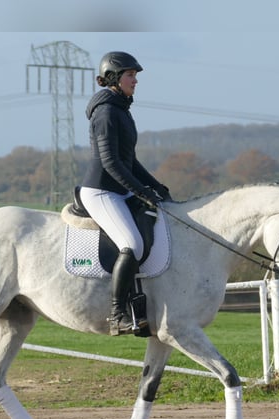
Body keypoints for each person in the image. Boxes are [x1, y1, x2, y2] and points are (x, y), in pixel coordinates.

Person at [79, 51, 171, 336]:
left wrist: (157, 187)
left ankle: (141, 308)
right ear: (114, 79)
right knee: (132, 244)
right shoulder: (106, 112)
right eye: (131, 75)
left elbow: (130, 161)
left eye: (135, 76)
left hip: (120, 191)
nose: (135, 81)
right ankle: (117, 314)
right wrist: (141, 191)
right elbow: (111, 163)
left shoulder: (121, 109)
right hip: (102, 192)